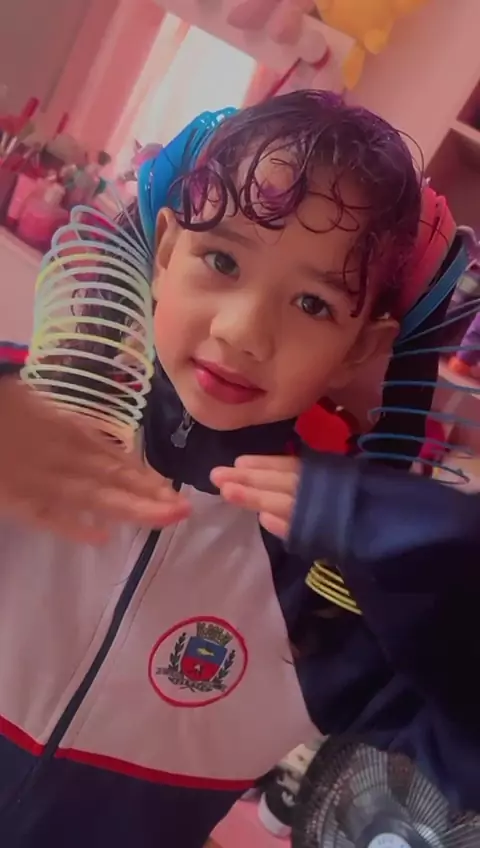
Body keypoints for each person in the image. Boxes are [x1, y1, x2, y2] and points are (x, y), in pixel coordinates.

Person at [0, 91, 478, 847]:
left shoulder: (324, 591)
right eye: (221, 260)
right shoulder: (20, 428)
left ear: (358, 348)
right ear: (165, 253)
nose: (244, 331)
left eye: (313, 304)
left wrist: (437, 561)